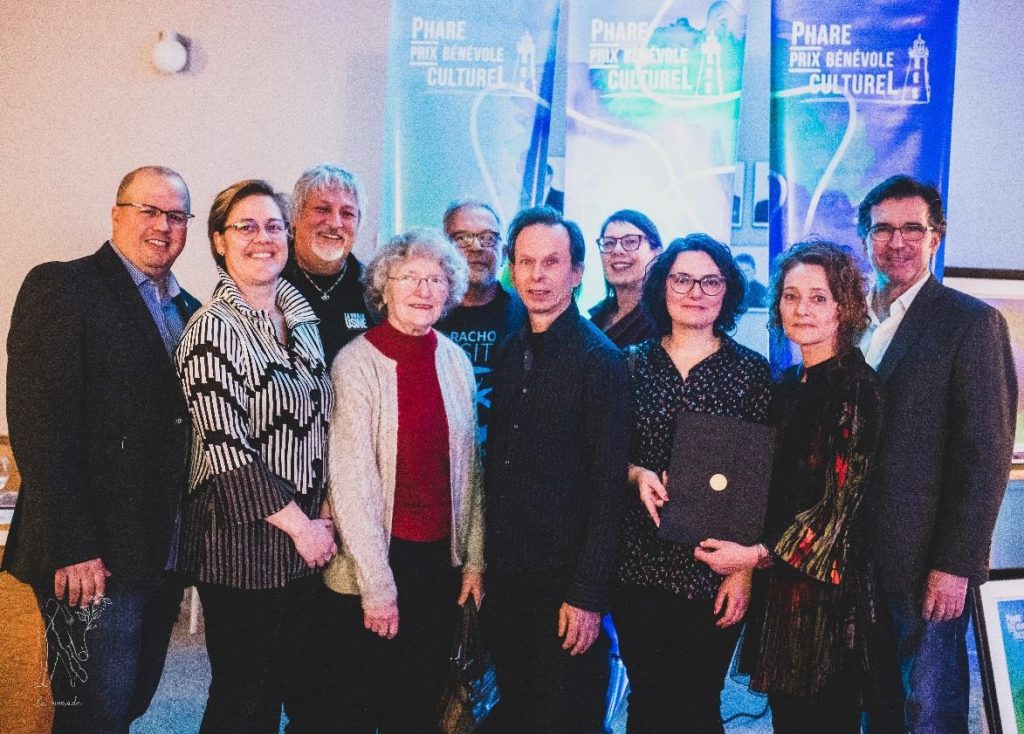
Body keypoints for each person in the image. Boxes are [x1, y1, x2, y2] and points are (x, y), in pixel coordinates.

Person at [3, 166, 201, 733]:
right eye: (149, 211)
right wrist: (73, 544)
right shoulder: (63, 287)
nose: (163, 226)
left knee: (131, 702)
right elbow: (40, 424)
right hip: (91, 557)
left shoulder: (190, 311)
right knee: (91, 715)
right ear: (116, 215)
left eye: (176, 215)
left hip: (159, 553)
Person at [695, 240, 888, 732]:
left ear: (844, 307)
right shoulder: (784, 384)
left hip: (827, 606)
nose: (802, 309)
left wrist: (753, 556)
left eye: (819, 298)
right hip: (780, 595)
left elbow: (836, 512)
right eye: (791, 296)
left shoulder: (857, 389)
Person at [175, 179, 337, 733]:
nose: (262, 238)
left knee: (276, 687)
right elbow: (226, 450)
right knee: (243, 695)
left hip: (304, 537)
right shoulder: (210, 329)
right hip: (240, 541)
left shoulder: (301, 319)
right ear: (219, 242)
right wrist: (303, 529)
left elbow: (322, 421)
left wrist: (324, 513)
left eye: (273, 226)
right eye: (245, 226)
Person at [857, 175, 1017, 732]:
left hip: (927, 561)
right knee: (875, 703)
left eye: (912, 228)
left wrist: (955, 564)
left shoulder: (971, 322)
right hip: (856, 557)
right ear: (865, 238)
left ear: (935, 237)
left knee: (930, 708)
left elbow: (986, 457)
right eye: (883, 229)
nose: (896, 242)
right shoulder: (852, 323)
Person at [320, 228, 484, 733]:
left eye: (436, 279)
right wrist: (378, 587)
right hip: (372, 559)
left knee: (418, 701)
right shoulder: (356, 363)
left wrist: (475, 560)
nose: (423, 289)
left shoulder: (455, 360)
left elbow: (472, 472)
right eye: (409, 277)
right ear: (384, 288)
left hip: (438, 561)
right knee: (358, 702)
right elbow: (350, 482)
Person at [611, 234, 772, 734]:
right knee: (648, 697)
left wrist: (743, 572)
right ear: (662, 287)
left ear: (728, 291)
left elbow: (760, 481)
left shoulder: (751, 372)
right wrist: (636, 474)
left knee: (698, 702)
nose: (695, 292)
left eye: (710, 281)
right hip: (638, 561)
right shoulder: (629, 364)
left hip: (714, 565)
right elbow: (605, 455)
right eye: (682, 279)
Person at [484, 206, 631, 733]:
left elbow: (609, 489)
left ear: (576, 272)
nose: (537, 275)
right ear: (512, 270)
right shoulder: (509, 350)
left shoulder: (600, 360)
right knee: (519, 709)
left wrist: (587, 594)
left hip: (564, 581)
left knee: (566, 716)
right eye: (526, 262)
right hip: (508, 575)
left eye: (552, 262)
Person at [435, 198, 526, 452]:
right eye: (462, 238)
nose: (476, 247)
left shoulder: (527, 316)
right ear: (443, 250)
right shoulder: (426, 316)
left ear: (504, 252)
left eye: (488, 238)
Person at [281, 164, 372, 364]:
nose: (335, 223)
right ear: (295, 216)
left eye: (347, 213)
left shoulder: (373, 291)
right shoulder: (269, 280)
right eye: (323, 209)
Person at [588, 209, 663, 348]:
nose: (617, 250)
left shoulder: (664, 322)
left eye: (630, 241)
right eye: (609, 243)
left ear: (657, 253)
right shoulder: (597, 318)